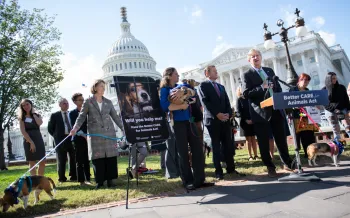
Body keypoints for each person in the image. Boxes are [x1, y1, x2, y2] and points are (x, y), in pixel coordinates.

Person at [242, 49, 293, 178]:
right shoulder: (247, 74)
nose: (255, 58)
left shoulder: (269, 71)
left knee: (281, 138)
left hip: (276, 109)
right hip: (261, 112)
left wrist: (281, 100)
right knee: (264, 141)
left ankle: (287, 163)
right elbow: (246, 93)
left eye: (257, 55)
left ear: (261, 57)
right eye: (252, 56)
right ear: (249, 60)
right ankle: (270, 166)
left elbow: (277, 87)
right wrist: (262, 87)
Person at [69, 79, 124, 189]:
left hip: (109, 134)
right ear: (95, 88)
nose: (103, 89)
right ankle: (100, 181)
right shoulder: (88, 102)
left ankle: (110, 181)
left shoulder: (108, 102)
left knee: (110, 157)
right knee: (98, 158)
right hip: (95, 135)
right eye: (101, 86)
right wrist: (75, 128)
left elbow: (115, 117)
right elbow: (81, 117)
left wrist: (124, 128)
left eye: (104, 87)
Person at [160, 67, 208, 190]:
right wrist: (182, 105)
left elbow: (193, 95)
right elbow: (165, 106)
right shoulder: (165, 90)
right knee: (183, 153)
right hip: (177, 124)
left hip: (189, 121)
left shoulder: (180, 86)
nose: (178, 76)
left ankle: (200, 179)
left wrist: (186, 92)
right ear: (169, 76)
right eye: (176, 74)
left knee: (197, 149)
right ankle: (188, 181)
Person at [198, 65, 245, 180]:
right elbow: (205, 102)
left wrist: (228, 114)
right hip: (213, 120)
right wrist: (217, 114)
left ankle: (231, 168)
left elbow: (227, 102)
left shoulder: (221, 86)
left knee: (228, 145)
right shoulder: (203, 86)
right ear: (207, 73)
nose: (216, 73)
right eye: (214, 71)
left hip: (225, 120)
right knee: (216, 146)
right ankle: (218, 171)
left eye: (216, 71)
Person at [48, 98, 77, 183]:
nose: (66, 104)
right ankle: (62, 178)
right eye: (64, 103)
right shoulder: (55, 115)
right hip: (60, 140)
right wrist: (56, 136)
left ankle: (73, 176)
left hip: (71, 138)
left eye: (67, 103)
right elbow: (50, 128)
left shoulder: (71, 114)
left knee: (73, 158)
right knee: (61, 159)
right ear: (60, 105)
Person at [289, 73, 318, 157]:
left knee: (309, 135)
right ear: (299, 80)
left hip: (307, 116)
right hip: (297, 117)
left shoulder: (308, 91)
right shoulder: (293, 90)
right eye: (304, 80)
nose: (305, 82)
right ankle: (298, 155)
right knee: (299, 136)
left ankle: (310, 153)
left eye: (307, 81)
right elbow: (289, 102)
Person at [18, 99, 46, 176]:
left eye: (27, 104)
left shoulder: (37, 115)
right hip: (28, 140)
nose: (25, 106)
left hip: (38, 138)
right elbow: (23, 131)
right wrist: (31, 142)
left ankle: (40, 181)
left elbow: (39, 123)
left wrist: (33, 114)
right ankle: (34, 182)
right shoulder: (22, 118)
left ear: (31, 105)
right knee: (32, 162)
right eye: (23, 105)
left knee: (42, 161)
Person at [69, 93, 91, 186]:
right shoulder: (72, 113)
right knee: (79, 160)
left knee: (87, 159)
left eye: (83, 99)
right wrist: (84, 136)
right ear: (75, 102)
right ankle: (82, 181)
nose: (82, 101)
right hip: (78, 139)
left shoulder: (87, 111)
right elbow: (75, 126)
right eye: (80, 100)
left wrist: (88, 136)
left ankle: (88, 179)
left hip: (88, 138)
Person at [322, 72, 350, 140]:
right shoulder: (324, 90)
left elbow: (346, 99)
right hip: (331, 111)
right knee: (336, 128)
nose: (335, 80)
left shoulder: (341, 87)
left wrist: (348, 109)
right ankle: (339, 145)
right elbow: (325, 104)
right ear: (329, 79)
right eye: (333, 78)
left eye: (335, 78)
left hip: (342, 110)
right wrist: (334, 109)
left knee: (348, 126)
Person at [236, 86, 258, 161]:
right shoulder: (239, 100)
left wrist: (253, 119)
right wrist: (246, 120)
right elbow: (238, 112)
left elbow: (254, 108)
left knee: (253, 139)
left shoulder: (249, 98)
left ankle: (256, 155)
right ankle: (250, 156)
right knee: (248, 139)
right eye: (241, 89)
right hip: (244, 122)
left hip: (253, 120)